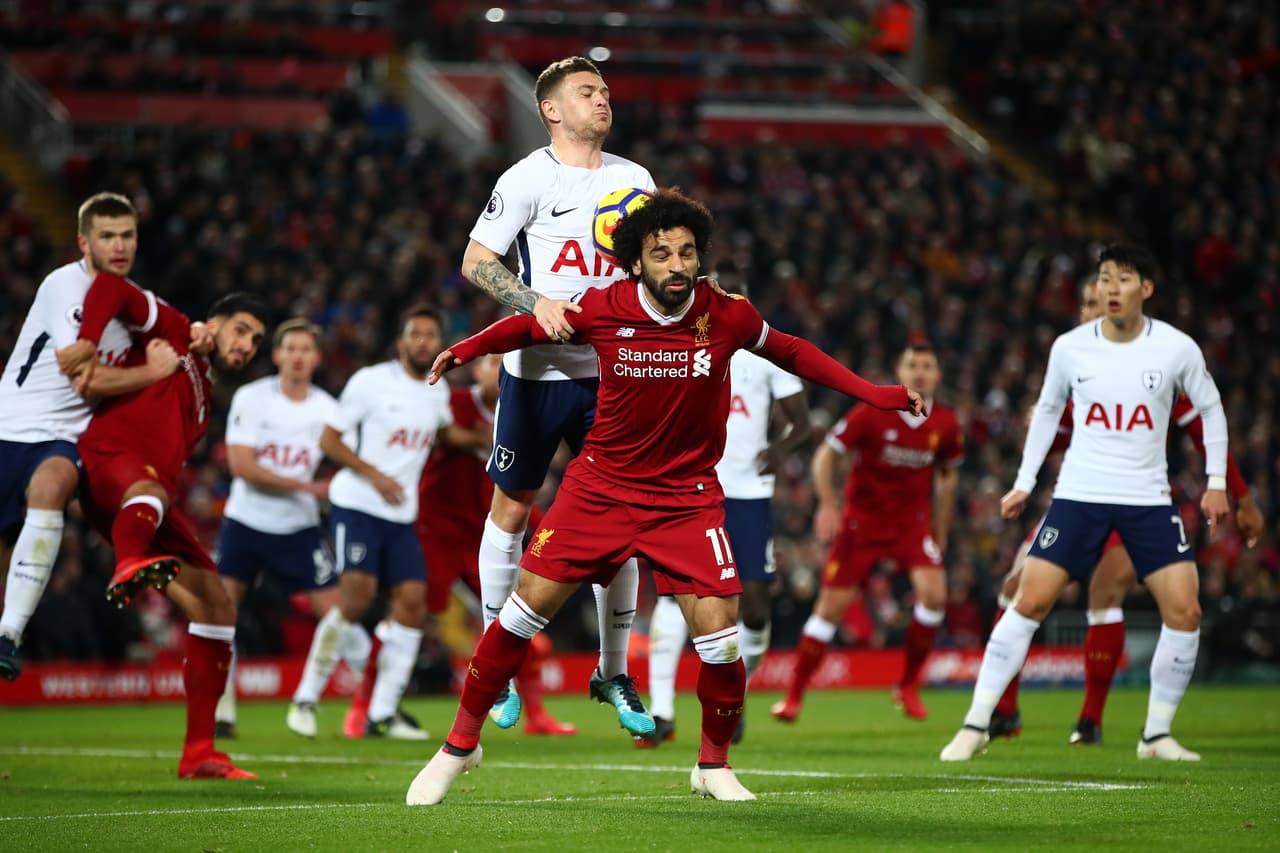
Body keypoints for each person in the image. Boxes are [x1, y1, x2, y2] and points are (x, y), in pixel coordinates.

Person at [405, 188, 923, 805]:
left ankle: (713, 766)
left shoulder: (725, 312)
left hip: (686, 498)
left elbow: (791, 351)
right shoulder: (605, 305)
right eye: (661, 254)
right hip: (599, 489)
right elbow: (530, 324)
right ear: (636, 263)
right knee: (520, 614)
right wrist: (466, 348)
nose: (677, 265)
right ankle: (459, 747)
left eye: (686, 253)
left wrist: (873, 391)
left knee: (722, 639)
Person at [941, 243, 1230, 763]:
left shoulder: (1176, 348)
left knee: (1186, 610)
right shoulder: (1071, 347)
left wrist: (1216, 482)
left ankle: (1156, 735)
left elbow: (1210, 408)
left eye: (1122, 278)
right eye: (1103, 278)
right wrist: (1024, 483)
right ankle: (976, 722)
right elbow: (1048, 411)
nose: (1110, 288)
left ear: (1147, 288)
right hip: (1080, 496)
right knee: (1026, 599)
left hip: (1147, 499)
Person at [460, 55, 657, 735]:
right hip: (537, 371)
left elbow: (654, 265)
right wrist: (531, 299)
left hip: (612, 371)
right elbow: (476, 258)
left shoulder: (635, 180)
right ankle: (497, 664)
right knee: (512, 509)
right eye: (587, 91)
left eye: (605, 90)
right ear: (551, 109)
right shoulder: (526, 178)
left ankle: (613, 671)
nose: (602, 99)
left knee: (621, 522)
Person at [987, 276, 1263, 743]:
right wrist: (1037, 424)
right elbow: (1049, 440)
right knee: (1017, 589)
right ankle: (1006, 711)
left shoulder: (1151, 362)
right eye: (1086, 305)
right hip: (1077, 500)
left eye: (1099, 304)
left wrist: (1241, 495)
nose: (1092, 312)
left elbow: (1199, 428)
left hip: (1136, 500)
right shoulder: (1074, 362)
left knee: (1106, 592)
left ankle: (1091, 720)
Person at [58, 273, 267, 779]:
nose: (245, 346)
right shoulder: (174, 332)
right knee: (150, 492)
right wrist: (88, 340)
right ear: (212, 325)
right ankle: (129, 561)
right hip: (111, 463)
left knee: (216, 605)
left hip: (148, 496)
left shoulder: (205, 398)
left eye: (255, 342)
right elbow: (113, 286)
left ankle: (200, 752)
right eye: (240, 331)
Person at [0, 192, 201, 680]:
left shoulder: (127, 301)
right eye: (107, 236)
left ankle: (9, 635)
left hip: (64, 439)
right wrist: (153, 371)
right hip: (9, 427)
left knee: (51, 488)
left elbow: (172, 324)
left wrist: (200, 333)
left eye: (127, 235)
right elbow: (84, 379)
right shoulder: (64, 287)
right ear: (82, 242)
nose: (118, 245)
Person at [286, 305, 486, 739]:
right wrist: (374, 474)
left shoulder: (436, 390)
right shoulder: (370, 382)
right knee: (356, 598)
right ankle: (306, 697)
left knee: (413, 605)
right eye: (415, 334)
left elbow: (445, 432)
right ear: (401, 342)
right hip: (357, 503)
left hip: (401, 514)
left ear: (440, 344)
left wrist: (481, 438)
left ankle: (384, 712)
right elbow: (329, 439)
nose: (423, 342)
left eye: (431, 336)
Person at [640, 260, 811, 747]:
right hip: (688, 486)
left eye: (735, 295)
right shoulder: (681, 343)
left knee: (754, 607)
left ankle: (737, 697)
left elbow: (803, 425)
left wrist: (778, 449)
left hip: (749, 494)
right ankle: (662, 711)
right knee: (674, 593)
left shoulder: (763, 353)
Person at [771, 340, 962, 723]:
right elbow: (826, 454)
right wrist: (828, 503)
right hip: (862, 523)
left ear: (937, 375)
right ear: (901, 372)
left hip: (912, 525)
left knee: (935, 597)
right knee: (830, 610)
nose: (920, 372)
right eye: (913, 365)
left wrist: (940, 530)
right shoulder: (871, 413)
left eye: (927, 366)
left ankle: (907, 686)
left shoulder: (946, 424)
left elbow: (948, 475)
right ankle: (793, 696)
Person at [209, 318, 371, 739]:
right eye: (291, 348)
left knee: (340, 612)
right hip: (245, 523)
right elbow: (240, 465)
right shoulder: (252, 397)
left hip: (297, 528)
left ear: (317, 359)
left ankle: (374, 704)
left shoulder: (328, 409)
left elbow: (357, 457)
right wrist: (307, 486)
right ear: (277, 354)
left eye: (306, 350)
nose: (298, 357)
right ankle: (222, 711)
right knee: (219, 615)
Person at [415, 353, 577, 736]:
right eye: (492, 361)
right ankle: (370, 707)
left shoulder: (527, 406)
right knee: (413, 616)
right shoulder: (455, 403)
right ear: (476, 370)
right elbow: (444, 433)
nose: (499, 367)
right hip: (437, 530)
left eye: (506, 361)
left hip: (485, 535)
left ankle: (536, 715)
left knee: (521, 624)